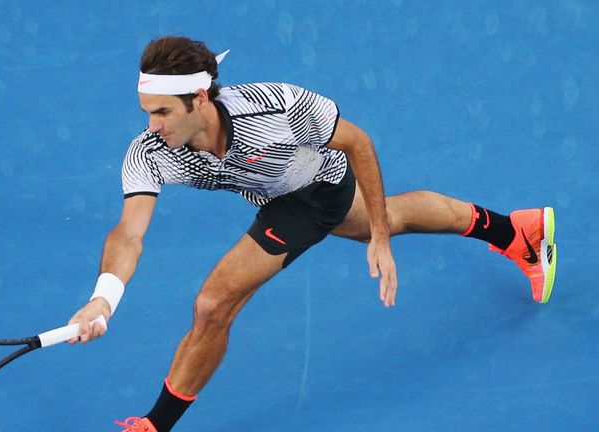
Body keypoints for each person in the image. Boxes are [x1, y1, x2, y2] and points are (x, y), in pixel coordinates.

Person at [66, 36, 557, 432]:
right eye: (146, 112)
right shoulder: (152, 152)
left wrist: (381, 241)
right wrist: (103, 299)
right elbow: (129, 233)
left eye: (162, 112)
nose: (151, 126)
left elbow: (358, 142)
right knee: (396, 215)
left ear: (199, 98)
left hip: (316, 189)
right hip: (276, 192)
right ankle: (518, 230)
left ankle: (154, 426)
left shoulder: (276, 110)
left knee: (214, 304)